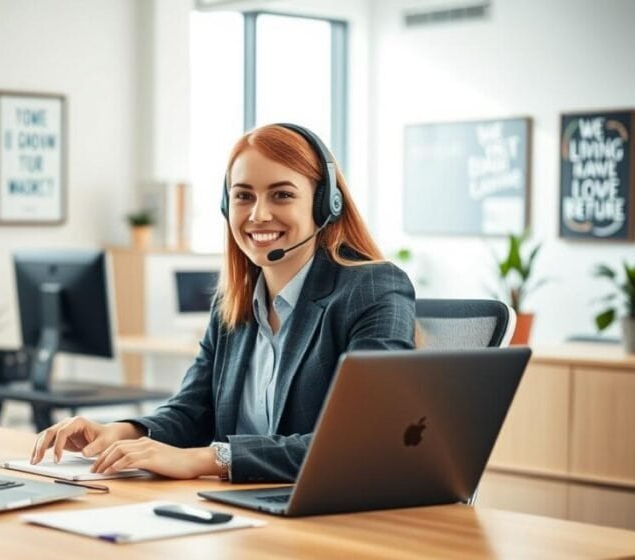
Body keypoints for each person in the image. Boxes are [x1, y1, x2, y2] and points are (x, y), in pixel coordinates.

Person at [29, 123, 416, 483]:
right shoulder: (234, 304)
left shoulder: (372, 288)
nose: (258, 214)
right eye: (243, 196)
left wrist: (209, 459)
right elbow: (192, 411)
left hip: (336, 520)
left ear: (324, 205)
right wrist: (125, 432)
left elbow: (365, 437)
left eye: (281, 195)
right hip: (243, 512)